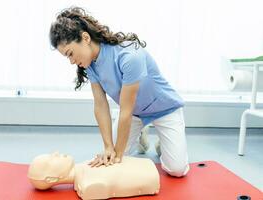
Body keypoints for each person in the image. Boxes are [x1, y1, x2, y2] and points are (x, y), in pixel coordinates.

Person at [49, 6, 189, 177]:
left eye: (70, 53)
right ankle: (141, 135)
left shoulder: (129, 56)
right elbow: (100, 105)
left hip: (165, 110)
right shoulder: (90, 64)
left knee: (177, 170)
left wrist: (117, 155)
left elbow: (125, 110)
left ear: (85, 38)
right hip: (135, 114)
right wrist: (108, 147)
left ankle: (162, 142)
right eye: (67, 57)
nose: (71, 61)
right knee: (113, 153)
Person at [27, 152, 160, 199]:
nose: (56, 153)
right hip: (150, 177)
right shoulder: (89, 185)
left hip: (147, 168)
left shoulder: (87, 164)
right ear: (51, 179)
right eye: (51, 159)